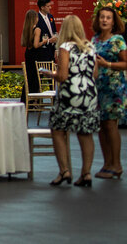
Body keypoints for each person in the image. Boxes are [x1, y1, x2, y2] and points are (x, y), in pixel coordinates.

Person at [49, 14, 99, 186]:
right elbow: (96, 73)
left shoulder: (65, 47)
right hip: (89, 93)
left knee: (58, 130)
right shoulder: (91, 47)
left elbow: (62, 75)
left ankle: (64, 171)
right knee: (85, 133)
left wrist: (50, 74)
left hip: (71, 93)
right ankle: (86, 173)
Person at [91, 5, 127, 179]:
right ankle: (106, 164)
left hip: (114, 89)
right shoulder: (94, 40)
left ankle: (117, 165)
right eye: (102, 17)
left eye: (108, 18)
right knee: (101, 126)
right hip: (98, 88)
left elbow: (125, 63)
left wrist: (108, 65)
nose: (104, 20)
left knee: (111, 125)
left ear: (113, 22)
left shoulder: (118, 40)